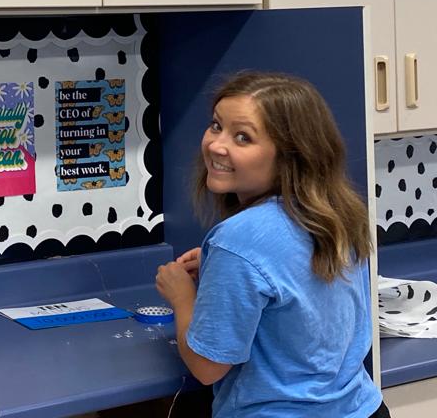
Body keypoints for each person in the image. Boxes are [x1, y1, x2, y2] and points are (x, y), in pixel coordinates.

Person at [155, 71, 389, 417]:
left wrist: (182, 296)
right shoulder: (342, 216)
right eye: (216, 125)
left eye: (243, 137)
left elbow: (207, 367)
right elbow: (295, 287)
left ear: (289, 156)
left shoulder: (237, 240)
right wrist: (224, 271)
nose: (217, 145)